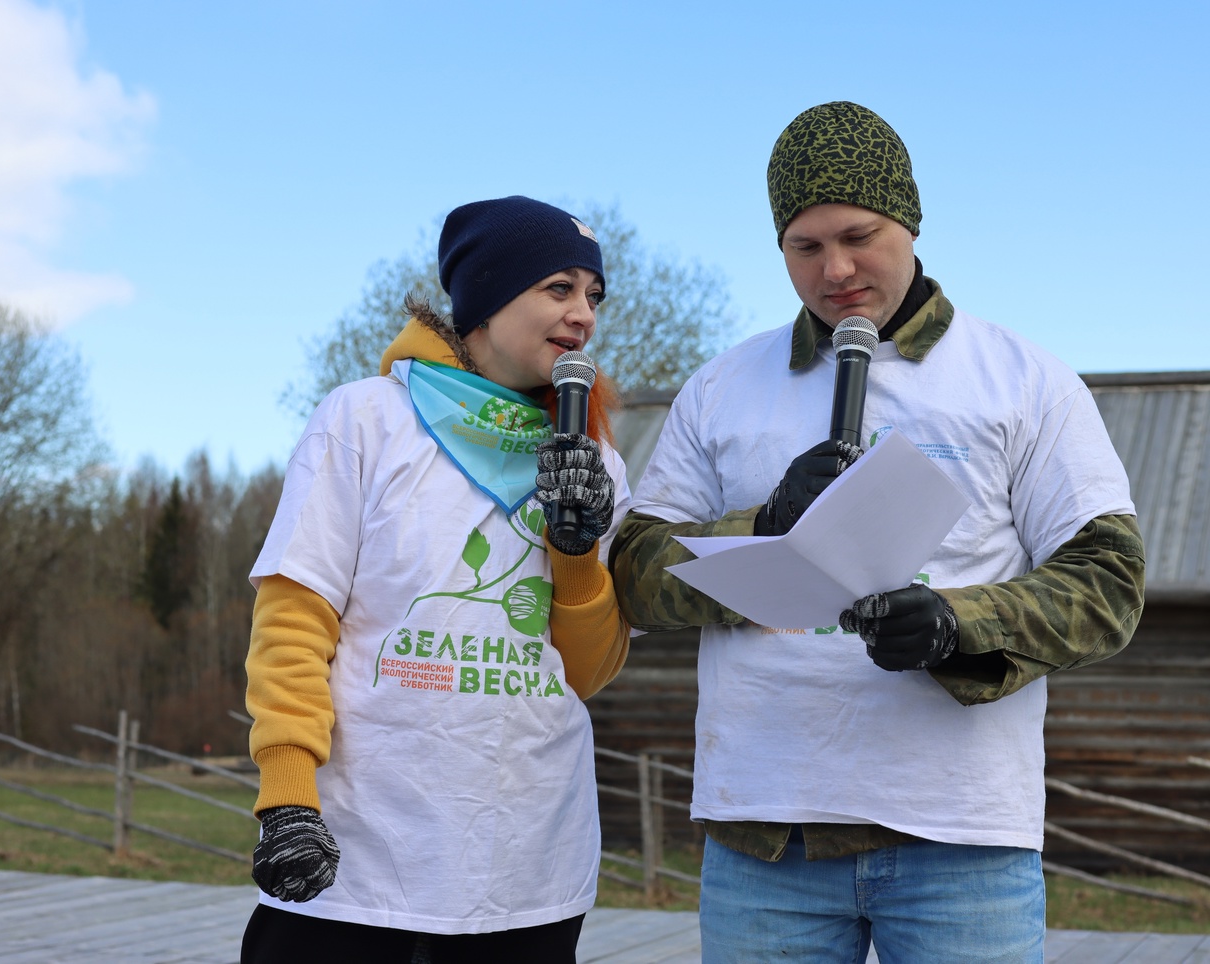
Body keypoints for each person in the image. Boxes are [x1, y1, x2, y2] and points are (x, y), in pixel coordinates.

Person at [609, 102, 1145, 963]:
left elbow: (1110, 581)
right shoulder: (721, 388)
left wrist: (955, 623)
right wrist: (766, 524)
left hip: (960, 836)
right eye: (806, 246)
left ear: (913, 219)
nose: (837, 270)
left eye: (861, 235)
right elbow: (631, 572)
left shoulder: (1023, 379)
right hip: (764, 837)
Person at [240, 196, 632, 964]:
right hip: (356, 863)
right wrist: (286, 795)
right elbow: (294, 617)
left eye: (594, 294)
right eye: (558, 287)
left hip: (525, 871)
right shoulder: (365, 420)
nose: (583, 313)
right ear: (485, 298)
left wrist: (578, 554)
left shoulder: (597, 462)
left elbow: (584, 674)